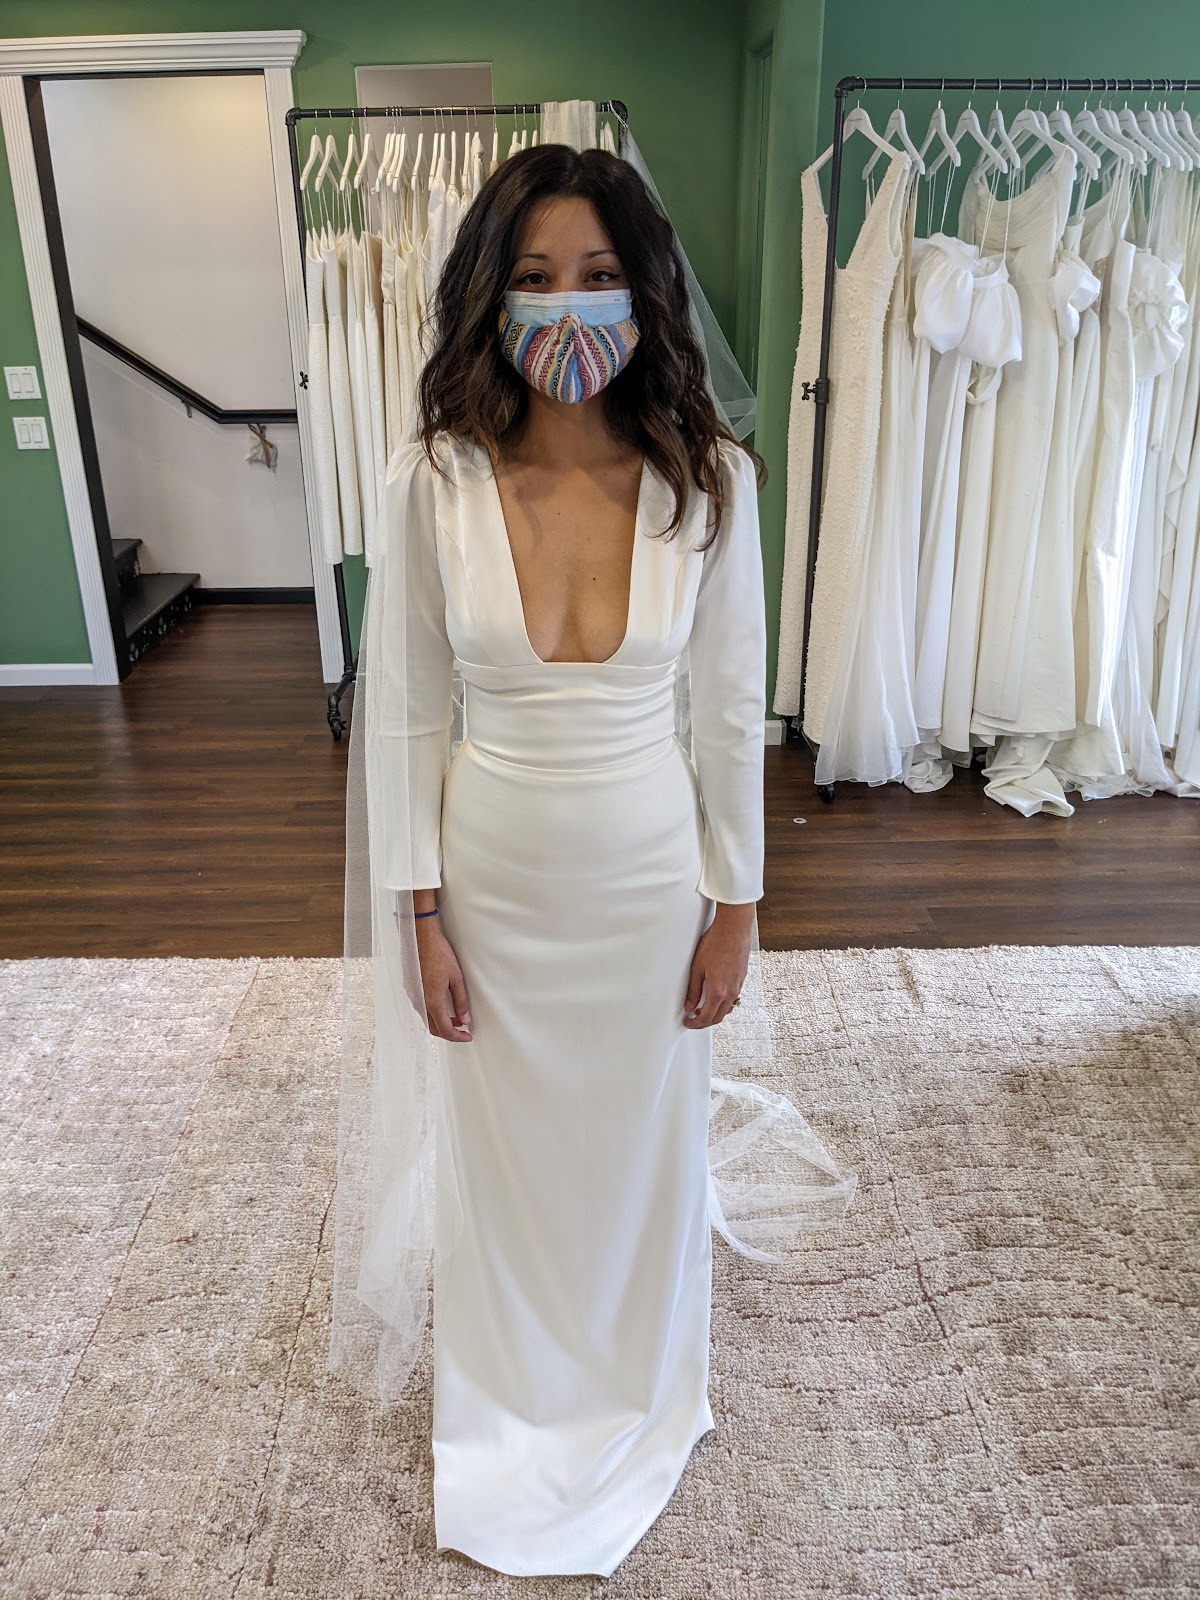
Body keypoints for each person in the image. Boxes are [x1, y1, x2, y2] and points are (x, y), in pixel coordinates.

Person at [333, 140, 858, 1579]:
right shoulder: (435, 480)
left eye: (601, 274)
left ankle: (635, 1381)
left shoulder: (711, 484)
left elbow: (730, 710)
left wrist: (738, 906)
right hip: (493, 884)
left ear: (648, 292)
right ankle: (513, 1398)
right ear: (490, 296)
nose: (570, 305)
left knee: (638, 1150)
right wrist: (418, 911)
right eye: (536, 276)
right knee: (505, 1160)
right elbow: (410, 707)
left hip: (646, 885)